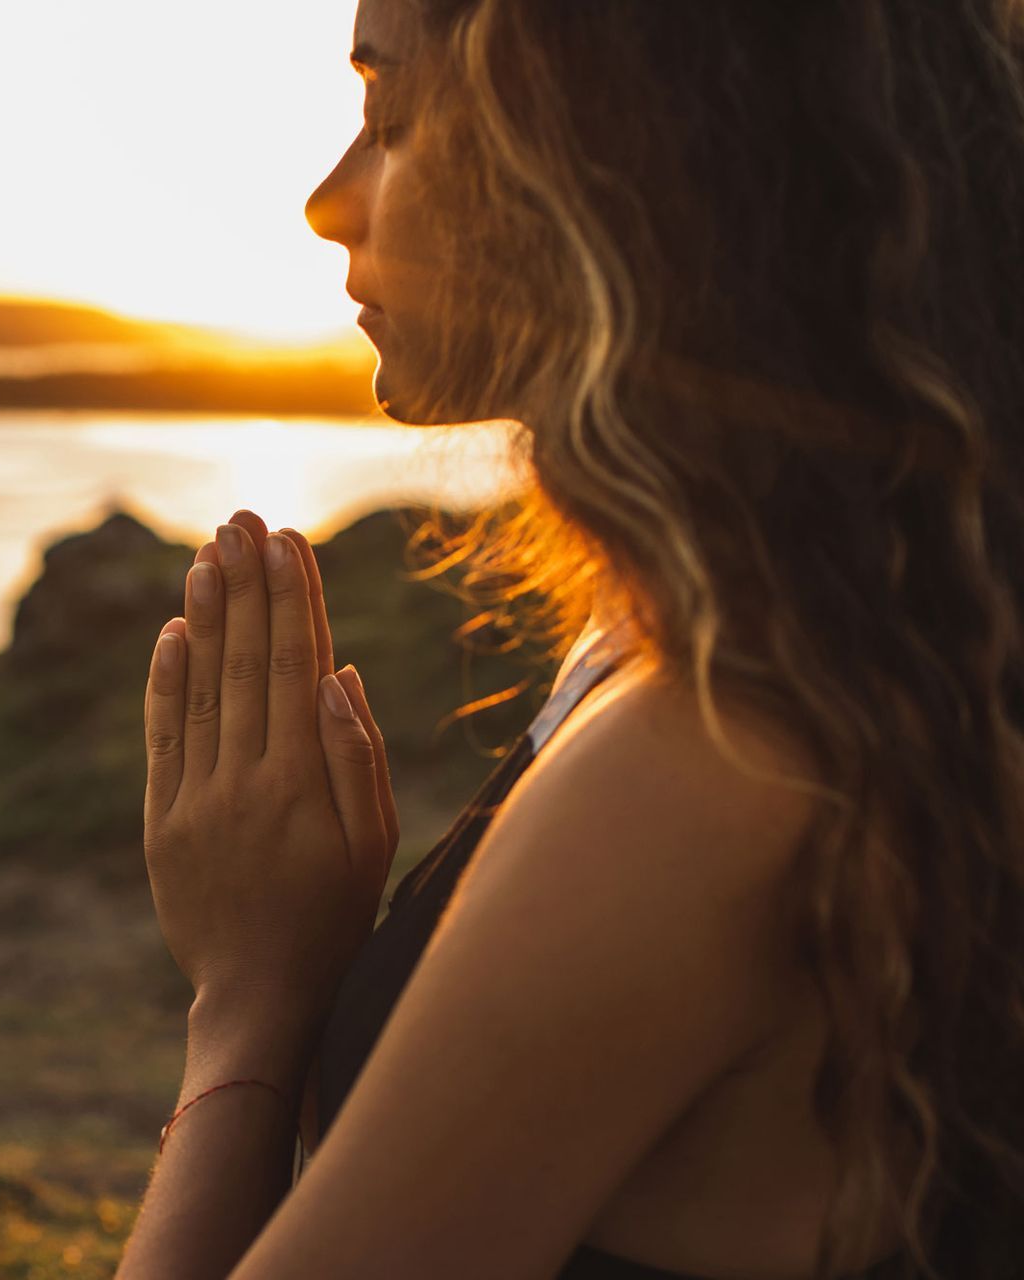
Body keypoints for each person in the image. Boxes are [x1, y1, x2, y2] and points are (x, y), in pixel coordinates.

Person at [118, 1, 1024, 1277]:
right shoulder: (839, 660)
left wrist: (250, 1004)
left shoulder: (708, 770)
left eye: (392, 112)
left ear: (608, 144)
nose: (328, 199)